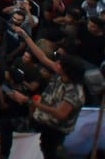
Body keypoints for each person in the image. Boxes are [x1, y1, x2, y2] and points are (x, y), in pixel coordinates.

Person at [5, 25, 86, 159]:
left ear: (67, 70)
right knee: (7, 125)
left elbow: (60, 114)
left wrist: (29, 101)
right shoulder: (61, 74)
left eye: (60, 64)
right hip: (41, 119)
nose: (56, 64)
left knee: (50, 152)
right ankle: (3, 155)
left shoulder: (75, 91)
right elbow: (41, 56)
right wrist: (25, 35)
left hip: (54, 129)